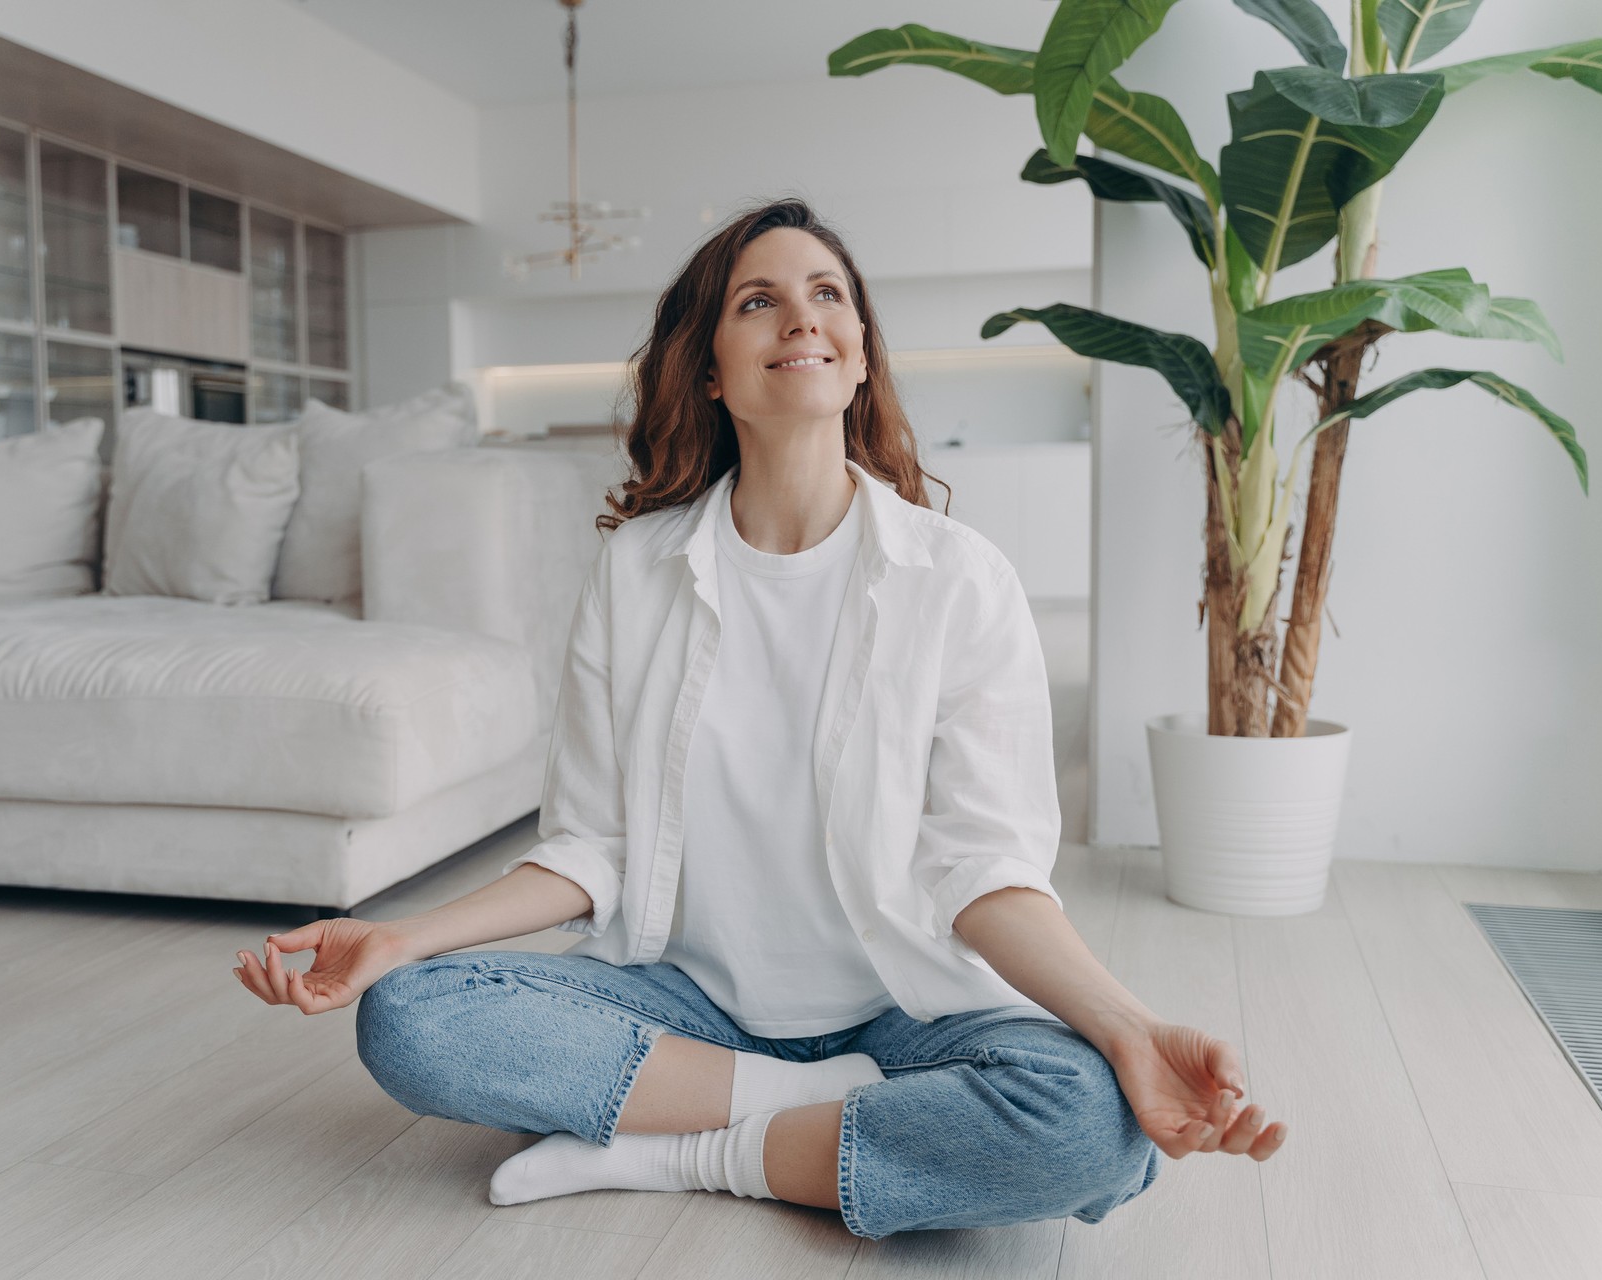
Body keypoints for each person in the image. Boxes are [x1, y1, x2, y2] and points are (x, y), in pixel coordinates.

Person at [231, 197, 1287, 1238]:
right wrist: (400, 936)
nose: (802, 316)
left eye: (828, 293)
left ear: (861, 353)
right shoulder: (635, 572)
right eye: (758, 300)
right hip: (687, 1000)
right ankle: (817, 1115)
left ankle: (683, 1144)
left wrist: (1133, 1028)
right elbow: (589, 848)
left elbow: (986, 870)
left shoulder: (958, 578)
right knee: (410, 1015)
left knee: (1094, 1126)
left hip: (905, 1012)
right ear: (708, 367)